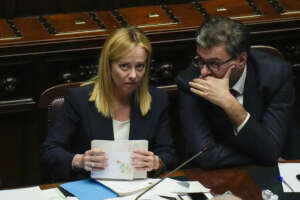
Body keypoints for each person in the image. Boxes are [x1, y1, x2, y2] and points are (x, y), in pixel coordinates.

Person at [41, 27, 177, 181]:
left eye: (140, 66)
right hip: (92, 188)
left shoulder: (157, 99)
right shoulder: (79, 100)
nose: (133, 75)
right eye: (124, 66)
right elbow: (50, 151)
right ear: (109, 66)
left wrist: (157, 162)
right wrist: (79, 160)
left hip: (138, 189)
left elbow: (168, 154)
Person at [175, 17, 296, 168]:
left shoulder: (275, 75)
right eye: (200, 60)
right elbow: (205, 156)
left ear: (241, 60)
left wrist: (230, 104)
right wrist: (265, 155)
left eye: (214, 63)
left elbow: (273, 148)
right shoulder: (190, 82)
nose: (203, 71)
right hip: (216, 178)